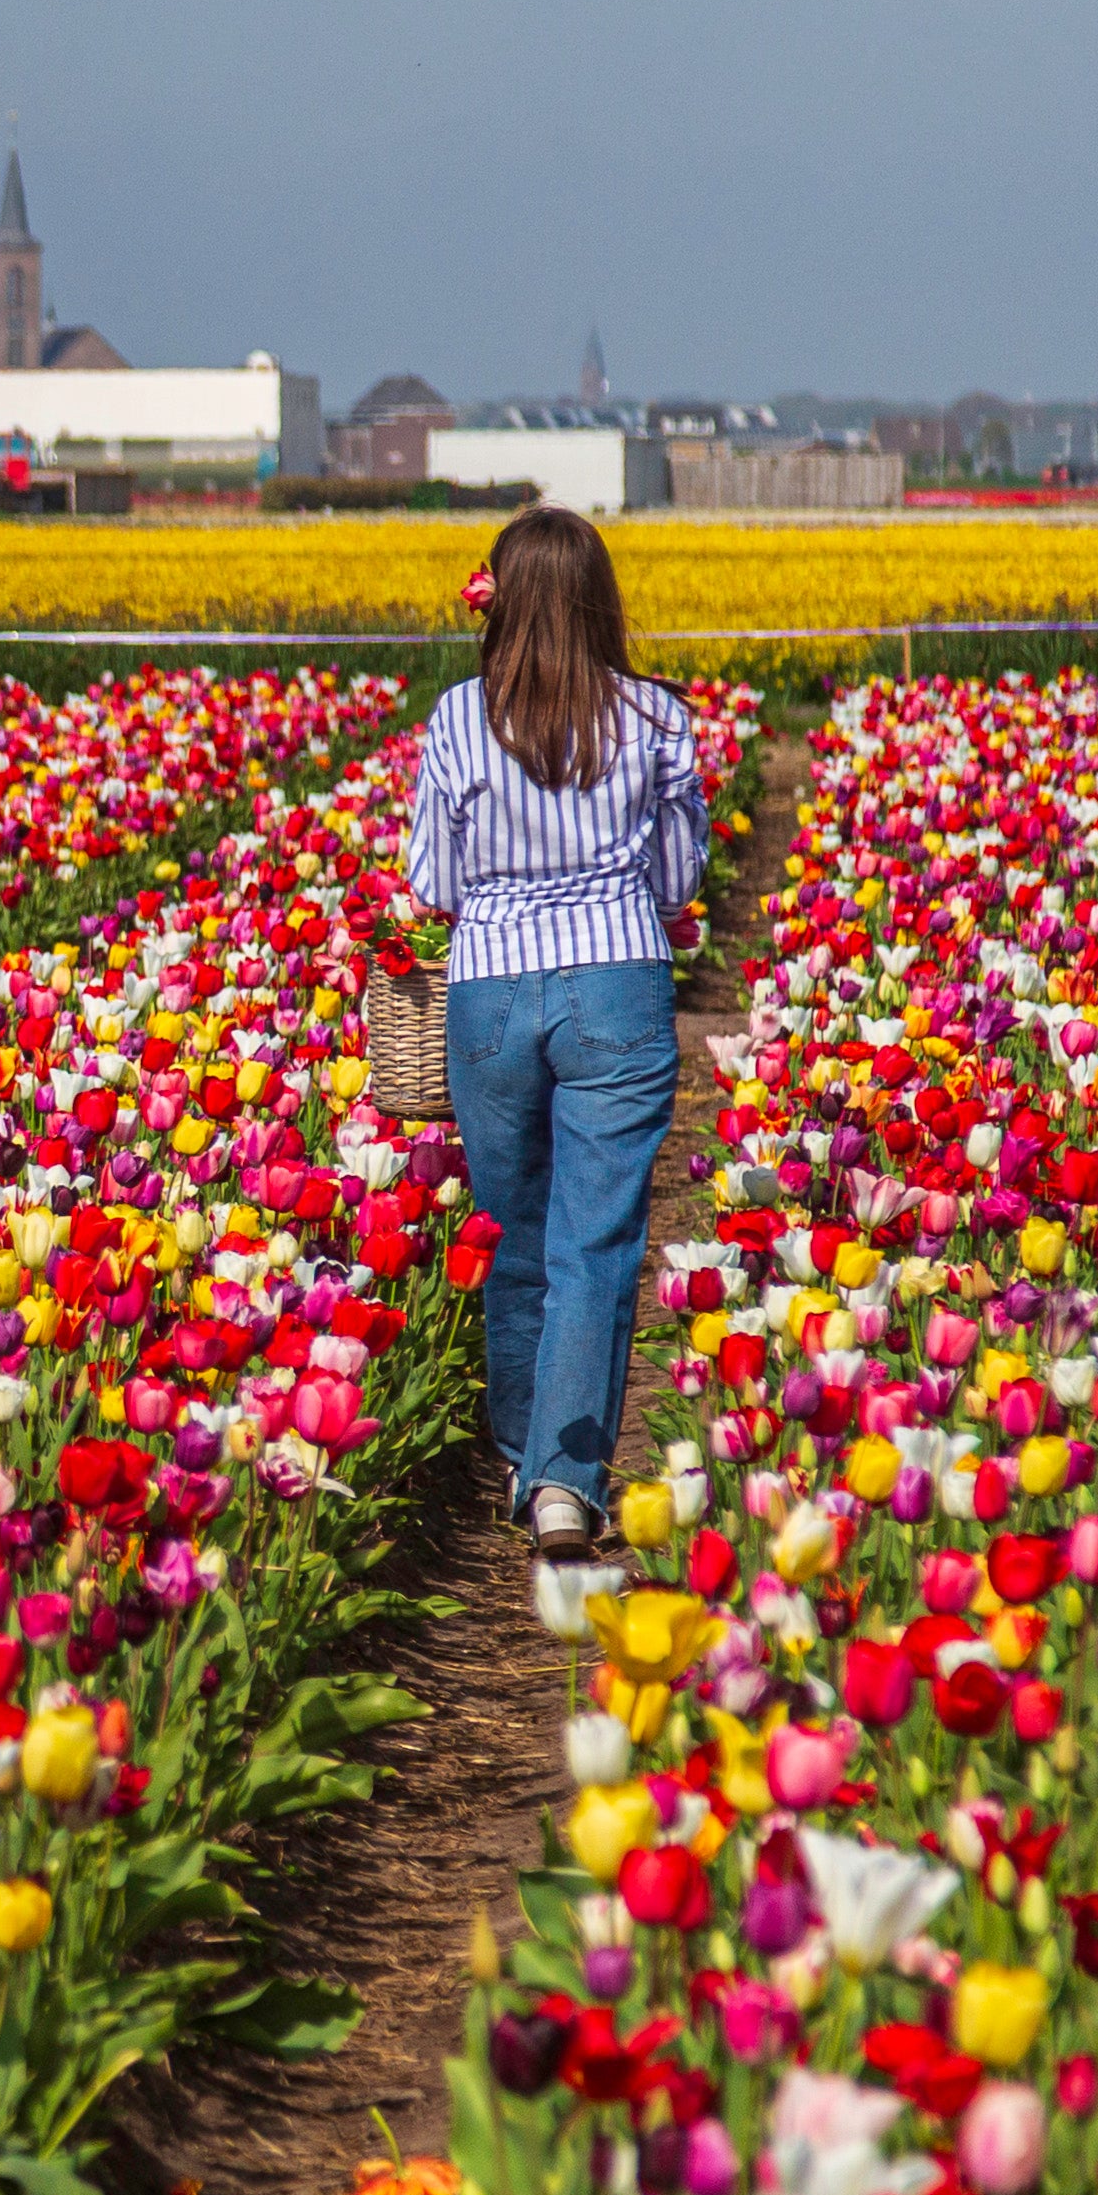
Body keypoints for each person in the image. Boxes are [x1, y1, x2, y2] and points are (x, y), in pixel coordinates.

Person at [400, 505, 705, 1561]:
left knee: (513, 1238)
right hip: (617, 985)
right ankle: (562, 1483)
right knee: (597, 1241)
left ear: (500, 600)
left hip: (488, 990)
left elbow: (429, 883)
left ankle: (522, 1457)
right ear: (600, 601)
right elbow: (676, 879)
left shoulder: (452, 719)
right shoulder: (659, 720)